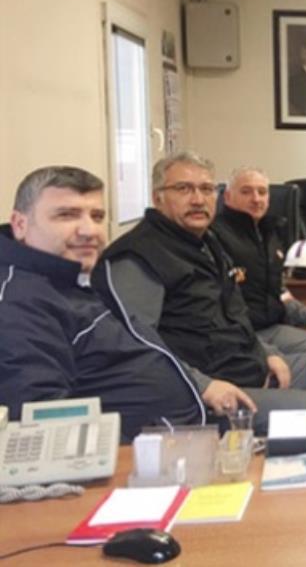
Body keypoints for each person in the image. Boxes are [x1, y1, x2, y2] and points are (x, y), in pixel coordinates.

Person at [103, 151, 306, 429]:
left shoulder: (207, 244)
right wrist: (203, 385)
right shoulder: (140, 256)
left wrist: (267, 353)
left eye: (206, 189)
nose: (198, 199)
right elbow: (136, 346)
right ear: (158, 198)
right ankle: (272, 442)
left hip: (243, 367)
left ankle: (281, 441)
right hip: (201, 394)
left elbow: (236, 315)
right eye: (183, 189)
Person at [0, 167, 207, 440]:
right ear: (20, 225)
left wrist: (202, 386)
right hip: (145, 450)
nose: (89, 231)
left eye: (97, 216)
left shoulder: (75, 275)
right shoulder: (19, 304)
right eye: (66, 215)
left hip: (189, 420)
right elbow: (44, 432)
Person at [212, 167, 306, 362]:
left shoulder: (271, 234)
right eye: (246, 192)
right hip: (239, 335)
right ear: (228, 197)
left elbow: (280, 292)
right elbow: (218, 306)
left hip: (271, 327)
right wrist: (266, 351)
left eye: (262, 192)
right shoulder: (214, 236)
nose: (256, 199)